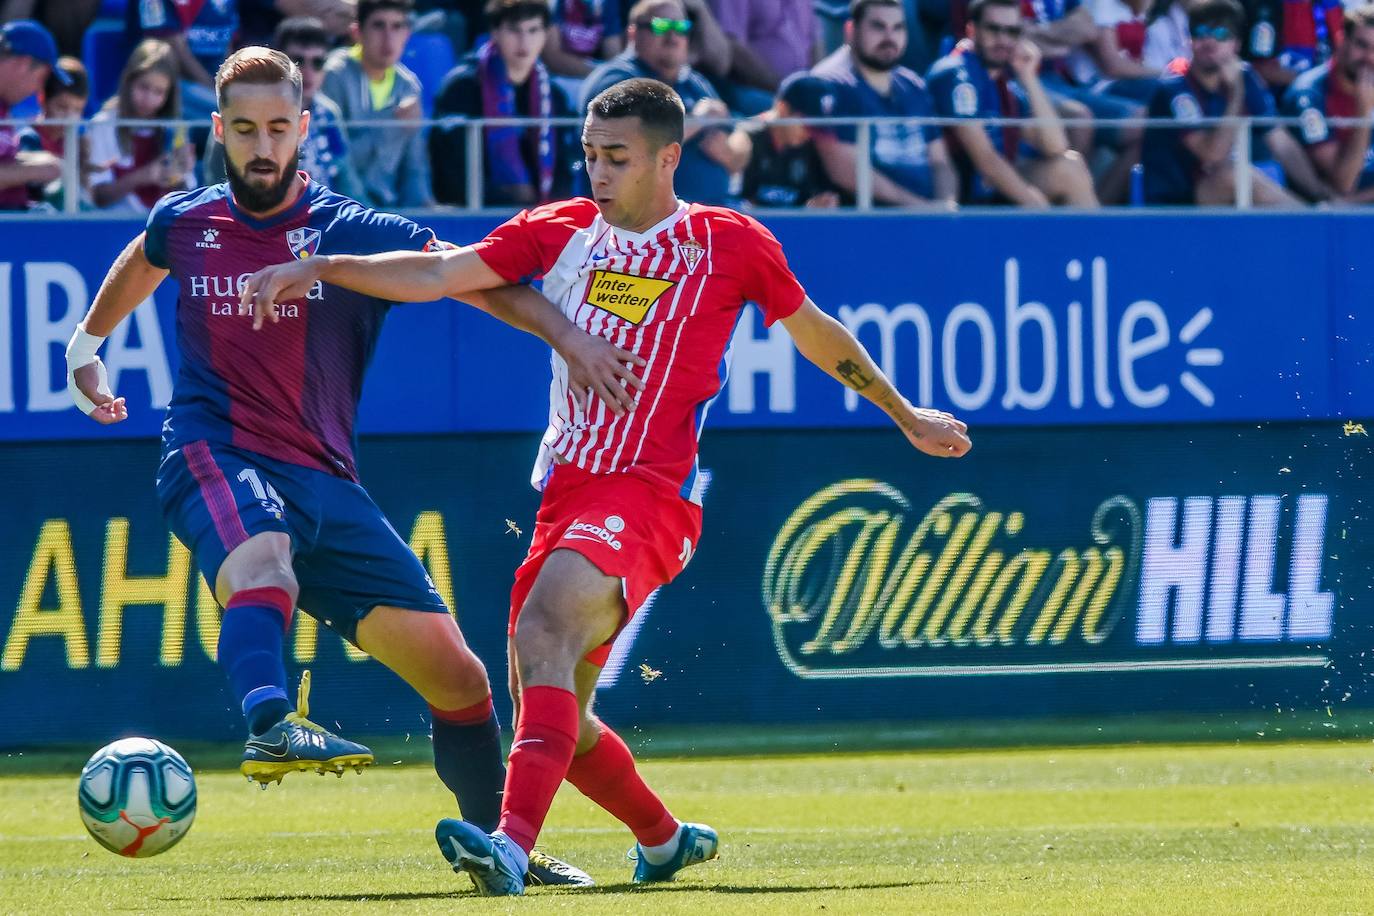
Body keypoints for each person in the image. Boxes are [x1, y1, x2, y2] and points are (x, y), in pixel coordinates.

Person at [238, 76, 973, 896]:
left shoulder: (727, 241)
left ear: (668, 159)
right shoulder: (560, 230)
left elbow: (813, 330)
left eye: (616, 157)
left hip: (651, 495)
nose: (597, 171)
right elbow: (441, 272)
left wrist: (904, 413)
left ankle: (510, 846)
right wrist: (325, 266)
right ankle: (665, 841)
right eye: (589, 153)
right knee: (557, 706)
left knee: (544, 628)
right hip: (567, 492)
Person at [64, 45, 634, 889]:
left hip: (327, 482)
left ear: (304, 128)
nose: (263, 146)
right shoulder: (186, 219)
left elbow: (470, 278)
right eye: (246, 129)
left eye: (278, 128)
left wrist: (571, 335)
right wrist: (86, 345)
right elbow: (145, 256)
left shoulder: (352, 232)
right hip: (214, 452)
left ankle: (502, 852)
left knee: (461, 678)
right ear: (219, 129)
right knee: (264, 563)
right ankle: (271, 721)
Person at [927, 0, 1099, 206]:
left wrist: (1029, 77)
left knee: (1070, 166)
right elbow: (986, 161)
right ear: (972, 30)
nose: (1003, 39)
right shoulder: (956, 74)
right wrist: (1038, 206)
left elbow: (1055, 146)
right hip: (961, 197)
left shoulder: (1004, 85)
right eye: (993, 29)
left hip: (994, 189)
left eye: (1012, 32)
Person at [1142, 0, 1313, 204]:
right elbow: (1212, 155)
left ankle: (1316, 210)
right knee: (1233, 176)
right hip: (1175, 202)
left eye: (1221, 34)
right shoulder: (1174, 88)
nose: (1209, 42)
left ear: (1237, 44)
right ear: (1189, 40)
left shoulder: (1246, 76)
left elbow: (1281, 142)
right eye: (1200, 32)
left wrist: (1320, 191)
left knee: (1244, 174)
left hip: (1218, 196)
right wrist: (1236, 94)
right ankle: (1310, 220)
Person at [582, 0, 750, 202]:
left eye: (680, 27)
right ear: (633, 33)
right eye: (661, 26)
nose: (673, 37)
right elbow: (633, 144)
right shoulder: (617, 80)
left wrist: (732, 153)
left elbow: (739, 133)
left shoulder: (694, 82)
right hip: (636, 215)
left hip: (708, 213)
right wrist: (698, 120)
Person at [803, 0, 958, 208]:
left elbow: (940, 163)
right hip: (866, 219)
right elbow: (845, 171)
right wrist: (920, 208)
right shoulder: (827, 85)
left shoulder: (914, 85)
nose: (889, 37)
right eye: (878, 26)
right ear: (851, 30)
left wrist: (946, 205)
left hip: (926, 215)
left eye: (898, 27)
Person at [429, 0, 580, 206]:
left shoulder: (554, 96)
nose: (524, 41)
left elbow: (563, 171)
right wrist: (510, 201)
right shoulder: (461, 88)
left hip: (541, 211)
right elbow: (451, 171)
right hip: (478, 212)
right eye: (514, 30)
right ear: (495, 32)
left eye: (533, 30)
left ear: (545, 34)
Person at [204, 17, 364, 201]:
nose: (308, 72)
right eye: (298, 61)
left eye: (318, 62)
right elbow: (215, 176)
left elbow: (346, 176)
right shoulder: (242, 111)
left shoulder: (329, 112)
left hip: (321, 212)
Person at [322, 0, 435, 208]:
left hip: (388, 209)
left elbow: (414, 165)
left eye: (397, 26)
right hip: (340, 208)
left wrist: (425, 207)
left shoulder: (409, 86)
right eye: (378, 26)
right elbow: (336, 160)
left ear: (407, 34)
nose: (388, 37)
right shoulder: (333, 75)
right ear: (357, 32)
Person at [88, 39, 197, 214]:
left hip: (163, 224)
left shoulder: (175, 128)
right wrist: (142, 177)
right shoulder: (102, 125)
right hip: (116, 222)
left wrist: (181, 174)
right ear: (129, 81)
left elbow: (186, 199)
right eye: (143, 87)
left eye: (159, 92)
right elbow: (99, 197)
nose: (149, 99)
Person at [1282, 4, 1374, 202]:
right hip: (1324, 214)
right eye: (1362, 45)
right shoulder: (1309, 94)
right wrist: (1364, 114)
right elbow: (1342, 184)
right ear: (1341, 40)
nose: (1370, 57)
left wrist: (1353, 202)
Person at [738, 74, 841, 208]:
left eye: (818, 128)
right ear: (783, 108)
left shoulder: (811, 146)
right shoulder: (745, 138)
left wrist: (814, 207)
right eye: (808, 125)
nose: (811, 134)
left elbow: (811, 200)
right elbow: (734, 204)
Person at [127, 0, 238, 122]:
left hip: (214, 85)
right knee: (230, 111)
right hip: (174, 83)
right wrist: (213, 87)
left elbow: (227, 43)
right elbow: (173, 45)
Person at [0, 19, 67, 211]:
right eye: (42, 78)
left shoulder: (4, 106)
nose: (39, 89)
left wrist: (36, 161)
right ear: (23, 64)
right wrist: (33, 170)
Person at [19, 55, 89, 209]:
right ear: (42, 100)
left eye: (77, 110)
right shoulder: (29, 138)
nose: (70, 117)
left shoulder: (78, 142)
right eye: (62, 107)